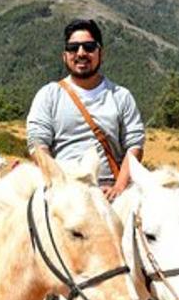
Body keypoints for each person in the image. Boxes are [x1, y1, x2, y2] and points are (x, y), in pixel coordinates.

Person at [26, 18, 145, 201]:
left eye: (89, 47)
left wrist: (119, 188)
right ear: (64, 55)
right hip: (63, 191)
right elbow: (37, 145)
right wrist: (60, 185)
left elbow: (134, 145)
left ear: (100, 53)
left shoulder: (121, 96)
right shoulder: (48, 95)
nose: (81, 53)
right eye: (73, 48)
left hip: (112, 192)